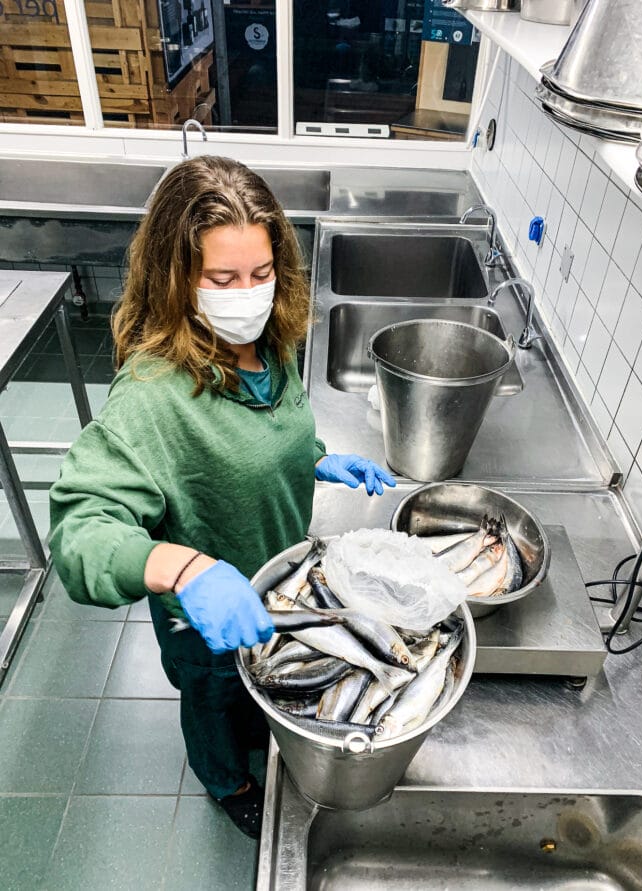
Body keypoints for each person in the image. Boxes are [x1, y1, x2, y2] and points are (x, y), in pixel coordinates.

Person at [48, 155, 395, 840]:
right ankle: (225, 781)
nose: (249, 295)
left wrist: (316, 459)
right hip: (201, 614)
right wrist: (185, 570)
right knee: (213, 699)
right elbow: (79, 532)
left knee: (260, 684)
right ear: (177, 278)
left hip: (278, 583)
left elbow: (261, 433)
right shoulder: (152, 394)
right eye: (222, 279)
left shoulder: (271, 342)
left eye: (261, 273)